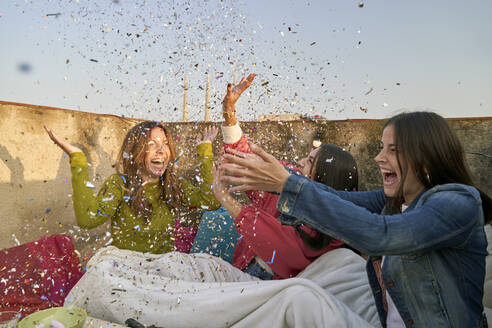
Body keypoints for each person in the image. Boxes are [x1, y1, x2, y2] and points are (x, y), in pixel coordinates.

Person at [220, 111, 491, 327]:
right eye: (380, 147)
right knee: (297, 298)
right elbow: (337, 198)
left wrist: (287, 185)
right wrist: (285, 183)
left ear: (426, 159)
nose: (378, 158)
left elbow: (381, 235)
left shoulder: (458, 203)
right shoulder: (394, 202)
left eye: (392, 150)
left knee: (297, 298)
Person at [212, 74, 357, 279]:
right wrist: (229, 112)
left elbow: (280, 246)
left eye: (310, 162)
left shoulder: (330, 227)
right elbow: (244, 160)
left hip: (265, 286)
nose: (299, 163)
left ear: (325, 178)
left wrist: (225, 199)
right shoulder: (287, 180)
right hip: (241, 268)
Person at [44, 122, 221, 254]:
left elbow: (210, 202)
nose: (161, 150)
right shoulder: (119, 184)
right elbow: (88, 219)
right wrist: (78, 159)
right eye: (151, 144)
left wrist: (205, 152)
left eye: (165, 143)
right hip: (125, 269)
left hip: (164, 268)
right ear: (135, 150)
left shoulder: (174, 184)